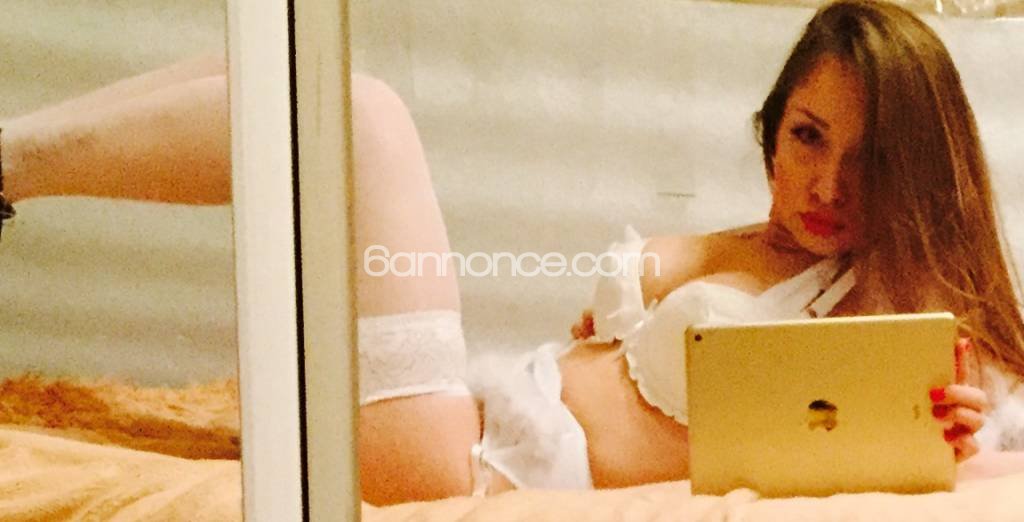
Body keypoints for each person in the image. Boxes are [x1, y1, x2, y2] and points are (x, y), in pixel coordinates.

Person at [3, 0, 1024, 507]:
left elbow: (991, 449)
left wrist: (963, 440)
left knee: (356, 115)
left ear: (919, 171)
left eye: (870, 159)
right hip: (473, 409)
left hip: (462, 462)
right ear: (773, 127)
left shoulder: (907, 306)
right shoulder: (759, 244)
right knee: (279, 71)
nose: (828, 185)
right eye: (808, 137)